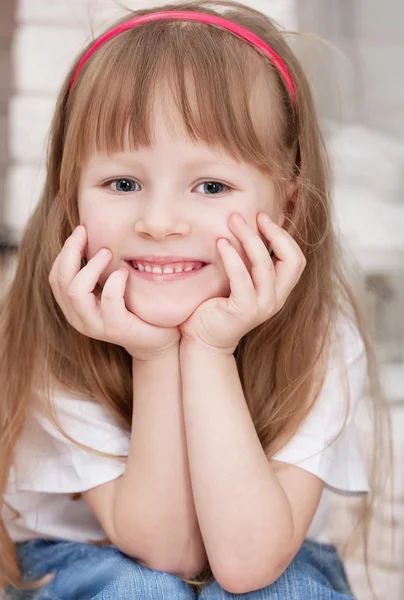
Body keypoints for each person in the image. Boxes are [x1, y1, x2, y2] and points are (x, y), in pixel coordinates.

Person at [0, 1, 385, 598]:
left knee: (288, 590)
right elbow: (169, 552)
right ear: (70, 198)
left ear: (285, 204)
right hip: (81, 556)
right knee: (143, 590)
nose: (158, 222)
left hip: (261, 543)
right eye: (122, 183)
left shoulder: (322, 338)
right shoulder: (57, 331)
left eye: (210, 186)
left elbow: (248, 561)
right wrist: (154, 356)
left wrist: (210, 349)